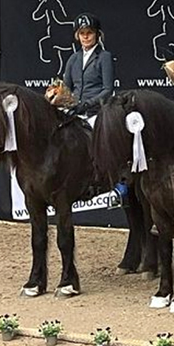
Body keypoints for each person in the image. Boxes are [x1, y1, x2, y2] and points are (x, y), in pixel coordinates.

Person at [63, 12, 127, 203]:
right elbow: (66, 87)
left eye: (89, 33)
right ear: (77, 35)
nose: (85, 37)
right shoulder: (73, 59)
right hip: (75, 110)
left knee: (101, 140)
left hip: (96, 110)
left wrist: (86, 105)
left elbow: (107, 90)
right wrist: (59, 97)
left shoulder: (104, 57)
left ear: (97, 35)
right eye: (82, 33)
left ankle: (119, 182)